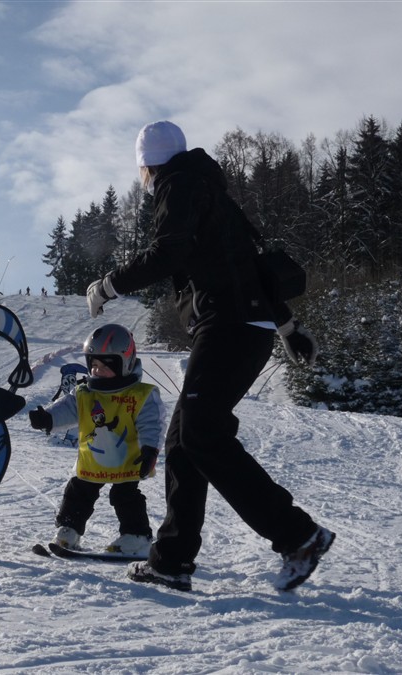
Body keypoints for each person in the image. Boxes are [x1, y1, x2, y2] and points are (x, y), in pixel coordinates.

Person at [86, 120, 333, 592]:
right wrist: (288, 326)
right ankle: (171, 561)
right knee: (183, 441)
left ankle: (298, 535)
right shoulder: (208, 190)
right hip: (243, 324)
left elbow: (167, 253)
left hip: (228, 325)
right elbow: (253, 266)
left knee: (200, 434)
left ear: (146, 164)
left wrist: (109, 285)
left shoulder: (176, 185)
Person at [29, 325, 164, 557]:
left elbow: (151, 424)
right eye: (94, 365)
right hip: (92, 461)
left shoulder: (140, 395)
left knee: (125, 497)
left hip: (127, 462)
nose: (98, 371)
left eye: (106, 366)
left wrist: (150, 451)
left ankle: (136, 536)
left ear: (125, 363)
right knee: (77, 493)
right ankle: (68, 530)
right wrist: (47, 418)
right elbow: (67, 409)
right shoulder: (85, 393)